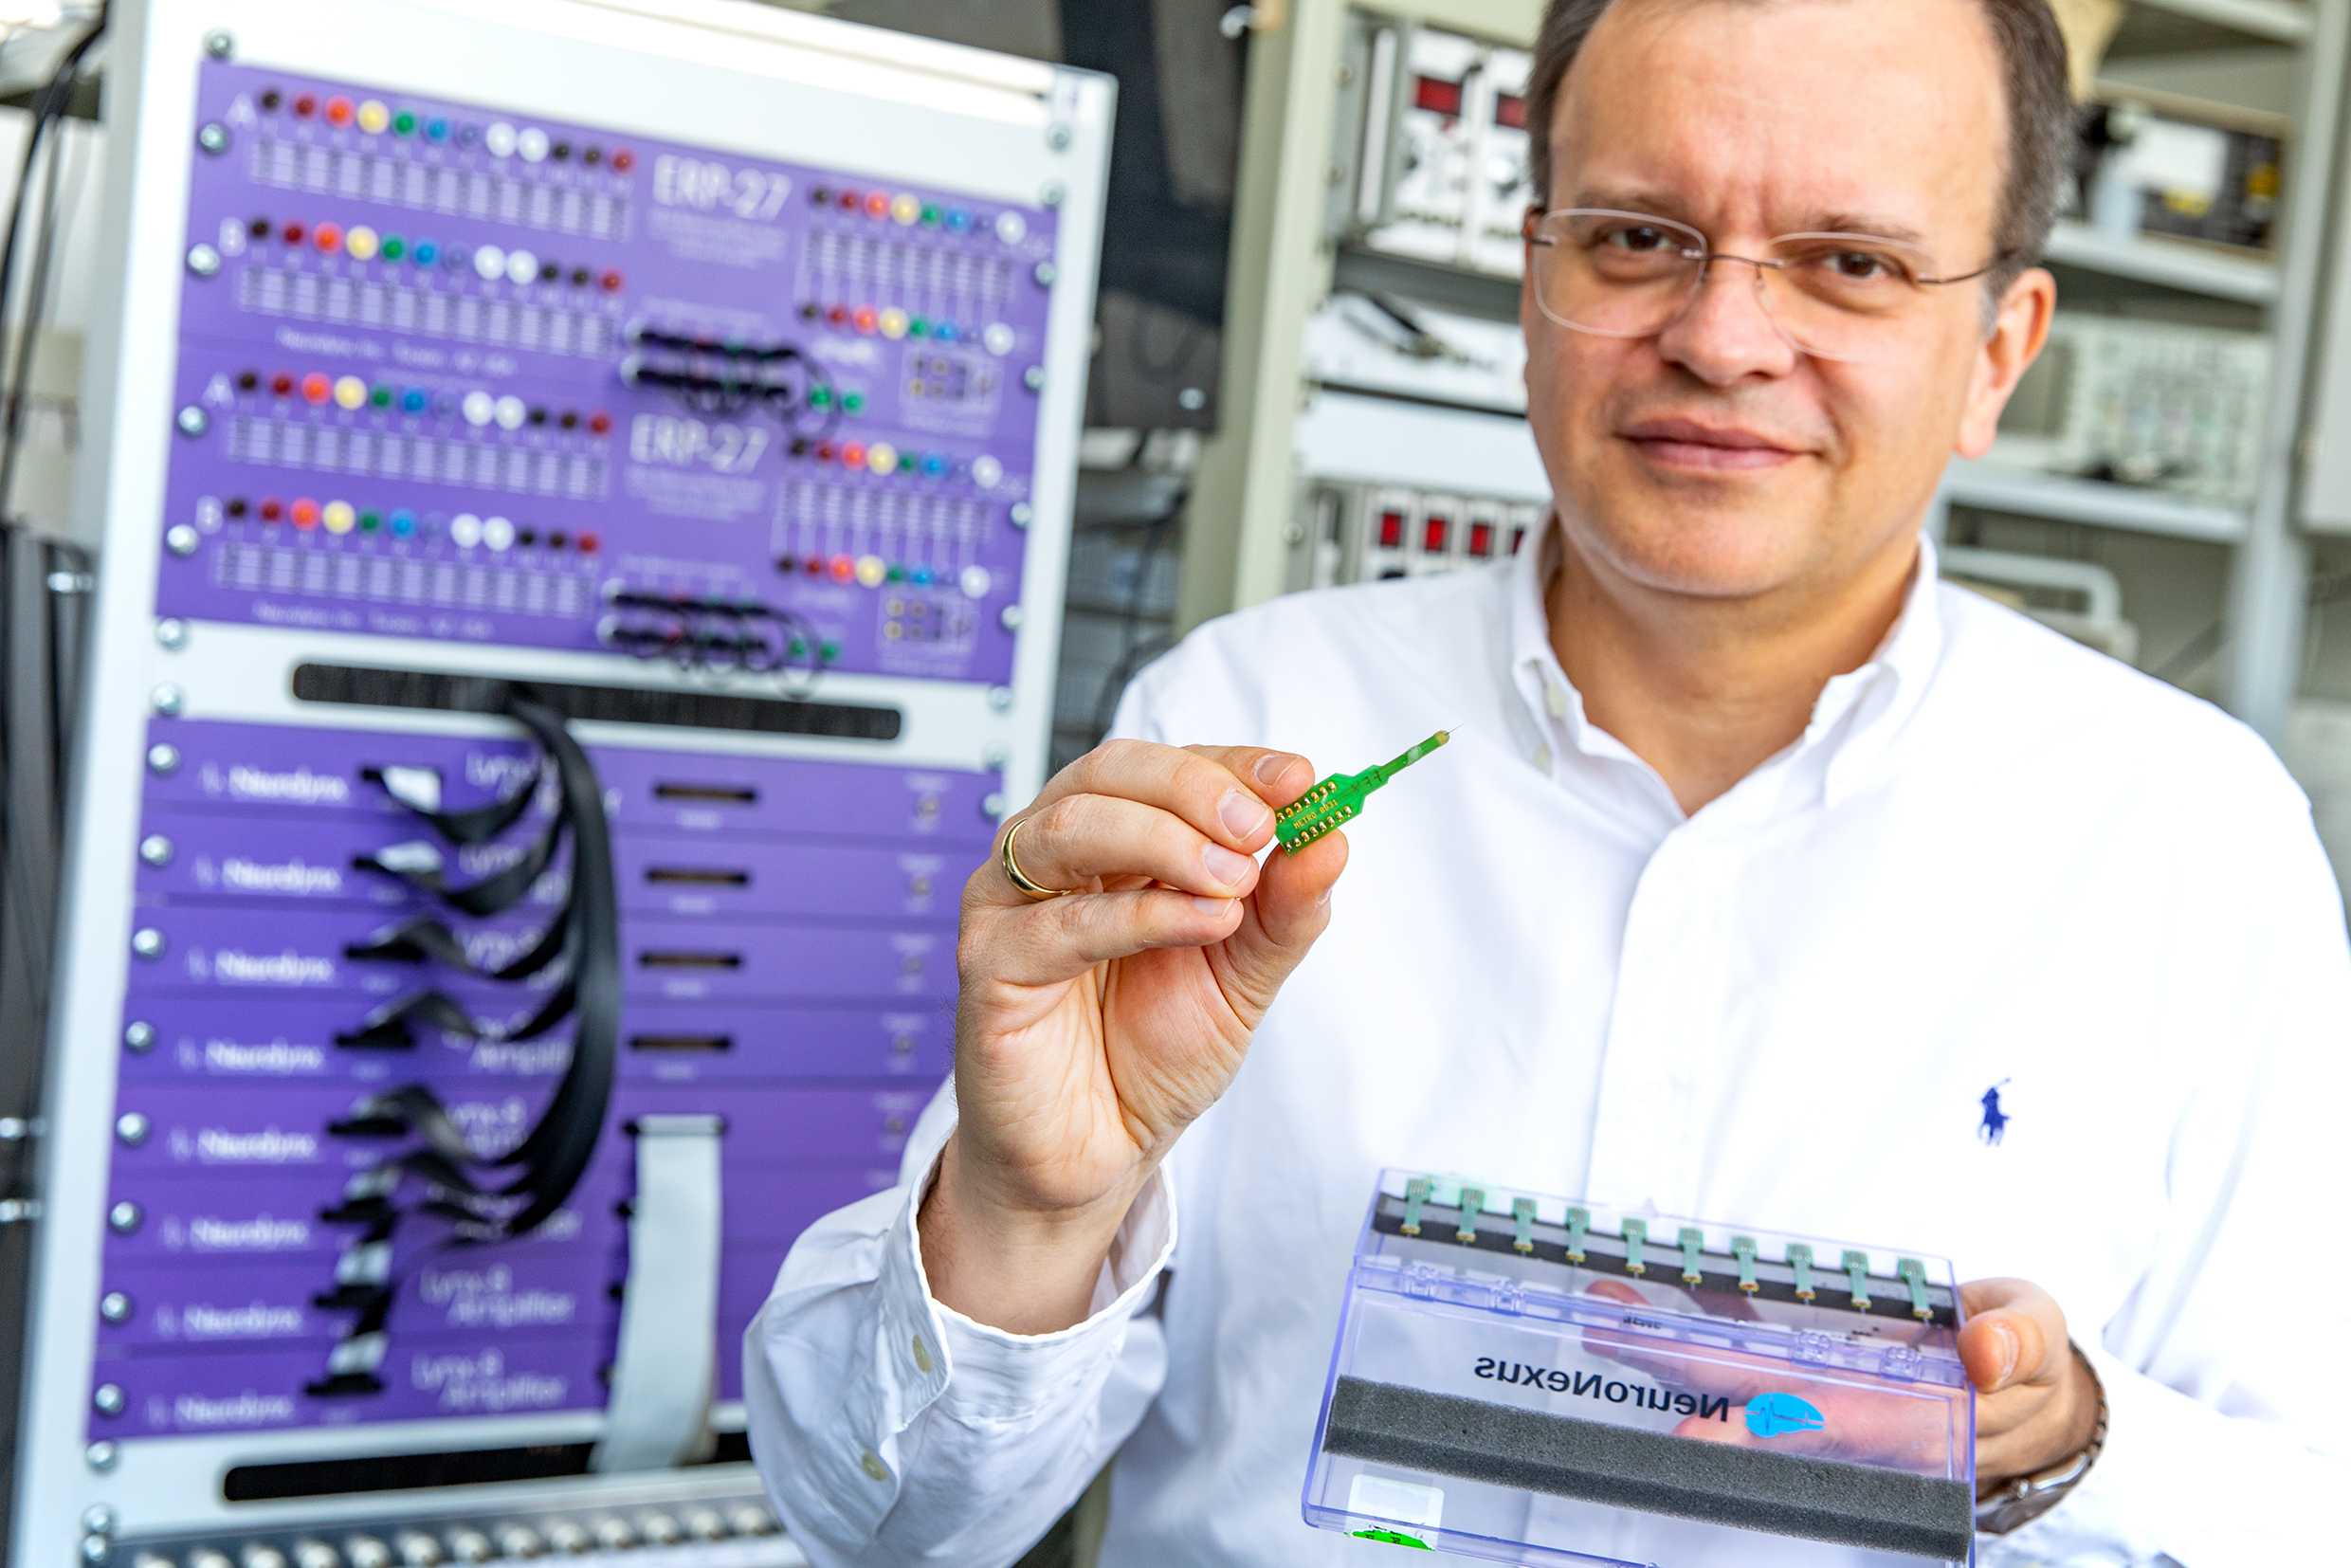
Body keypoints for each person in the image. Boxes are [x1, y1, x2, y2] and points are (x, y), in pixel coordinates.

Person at [745, 0, 2350, 1561]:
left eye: (1847, 262)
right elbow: (881, 1528)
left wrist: (2074, 1439)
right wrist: (1028, 1213)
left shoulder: (2192, 839)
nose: (1721, 338)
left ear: (2000, 351)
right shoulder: (1244, 722)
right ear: (1534, 275)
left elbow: (2305, 1512)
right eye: (1639, 237)